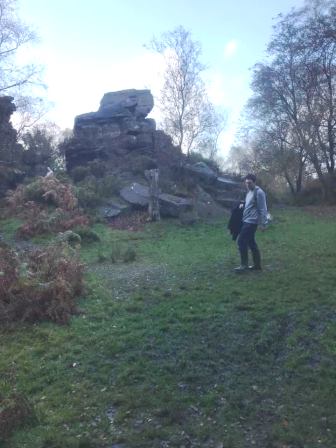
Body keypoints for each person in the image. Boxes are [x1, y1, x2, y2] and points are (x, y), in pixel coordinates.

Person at [234, 174, 268, 272]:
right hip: (246, 220)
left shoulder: (259, 192)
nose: (248, 185)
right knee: (251, 242)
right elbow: (249, 206)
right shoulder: (249, 193)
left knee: (241, 241)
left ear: (254, 182)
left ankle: (244, 266)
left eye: (249, 183)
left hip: (252, 222)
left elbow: (263, 208)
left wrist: (263, 223)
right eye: (246, 183)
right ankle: (257, 266)